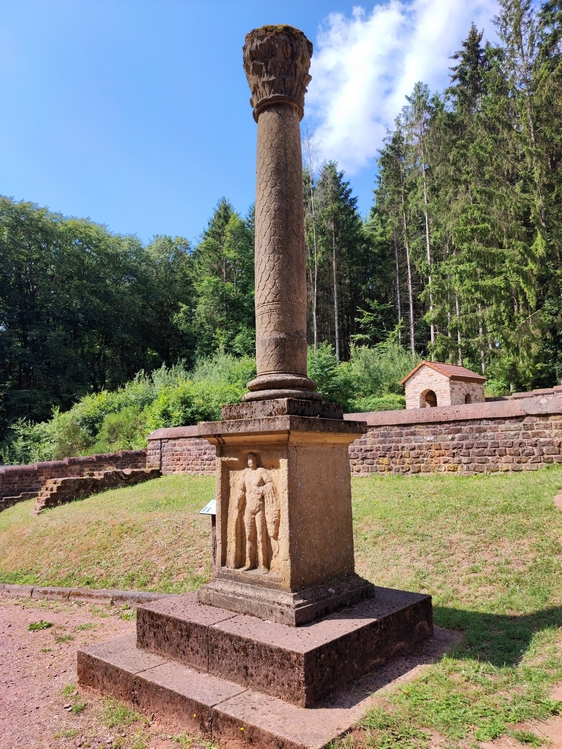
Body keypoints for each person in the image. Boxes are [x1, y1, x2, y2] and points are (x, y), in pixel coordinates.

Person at [235, 452, 279, 573]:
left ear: (256, 460)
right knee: (249, 536)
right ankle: (250, 563)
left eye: (252, 459)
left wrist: (260, 490)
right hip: (249, 509)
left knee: (261, 536)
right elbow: (241, 490)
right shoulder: (245, 473)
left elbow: (270, 484)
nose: (250, 461)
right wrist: (237, 506)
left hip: (260, 508)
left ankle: (263, 564)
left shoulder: (261, 472)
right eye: (248, 459)